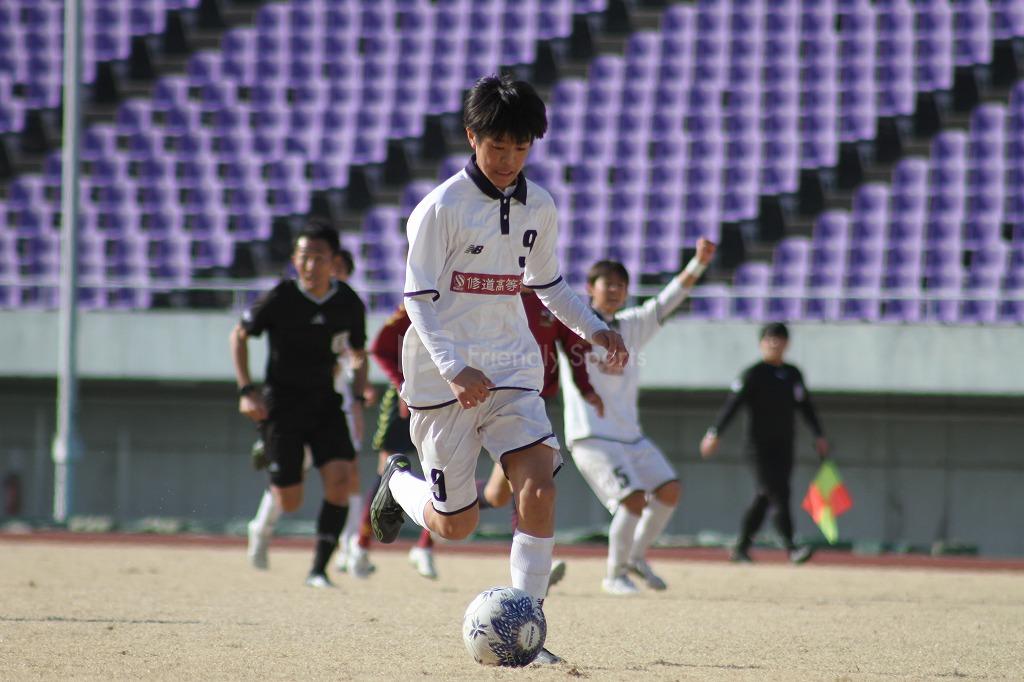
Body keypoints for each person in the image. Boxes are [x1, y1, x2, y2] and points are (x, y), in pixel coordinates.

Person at [369, 74, 628, 664]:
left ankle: (528, 633)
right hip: (443, 382)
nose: (509, 158)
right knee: (455, 526)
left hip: (512, 369)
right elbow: (417, 300)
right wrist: (454, 368)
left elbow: (549, 285)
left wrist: (596, 328)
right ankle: (398, 482)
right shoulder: (439, 209)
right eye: (497, 145)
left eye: (521, 146)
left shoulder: (541, 206)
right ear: (472, 136)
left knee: (538, 485)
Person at [561, 239, 715, 595]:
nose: (615, 290)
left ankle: (635, 556)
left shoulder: (631, 326)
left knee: (669, 489)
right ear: (590, 288)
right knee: (632, 500)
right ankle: (614, 575)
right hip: (591, 435)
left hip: (630, 435)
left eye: (621, 285)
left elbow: (668, 299)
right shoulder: (571, 324)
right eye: (608, 284)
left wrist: (698, 263)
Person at [231, 223, 367, 587]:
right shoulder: (280, 297)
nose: (310, 265)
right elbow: (239, 335)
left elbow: (359, 352)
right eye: (304, 257)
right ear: (294, 260)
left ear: (333, 261)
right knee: (290, 500)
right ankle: (261, 525)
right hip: (283, 406)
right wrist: (246, 390)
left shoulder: (348, 302)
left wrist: (358, 395)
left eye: (318, 258)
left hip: (326, 403)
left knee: (342, 479)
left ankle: (319, 570)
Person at [477, 286, 606, 588]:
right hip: (487, 399)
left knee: (504, 492)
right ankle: (431, 509)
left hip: (535, 402)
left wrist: (587, 389)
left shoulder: (551, 297)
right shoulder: (491, 292)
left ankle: (530, 566)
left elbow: (573, 346)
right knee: (523, 486)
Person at [699, 322, 829, 564]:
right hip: (757, 447)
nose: (774, 343)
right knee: (778, 492)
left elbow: (806, 407)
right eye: (769, 339)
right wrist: (714, 433)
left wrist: (818, 435)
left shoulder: (793, 374)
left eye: (779, 338)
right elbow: (732, 405)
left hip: (784, 445)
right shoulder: (753, 374)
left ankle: (741, 548)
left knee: (765, 495)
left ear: (787, 344)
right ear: (761, 344)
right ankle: (792, 547)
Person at [344, 304, 438, 579]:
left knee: (443, 474)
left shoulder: (466, 302)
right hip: (405, 402)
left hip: (447, 400)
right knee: (387, 471)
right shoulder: (416, 303)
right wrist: (402, 385)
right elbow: (380, 347)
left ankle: (425, 546)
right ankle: (361, 545)